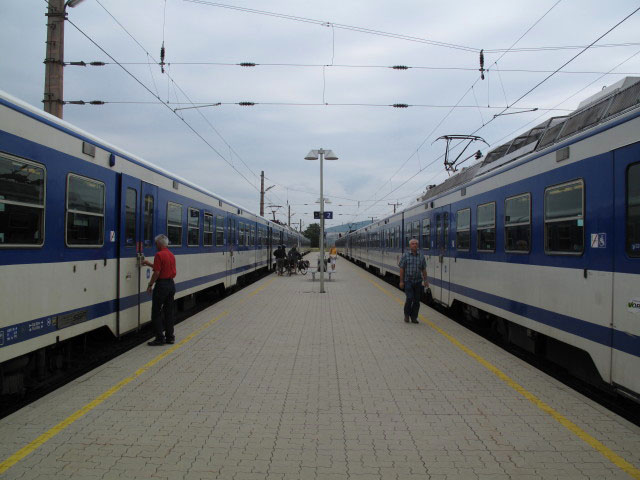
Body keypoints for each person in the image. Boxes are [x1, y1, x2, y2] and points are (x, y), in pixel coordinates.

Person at [142, 234, 177, 345]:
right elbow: (161, 267)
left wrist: (150, 284)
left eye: (156, 243)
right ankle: (170, 337)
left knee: (156, 312)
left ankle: (159, 338)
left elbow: (157, 272)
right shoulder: (171, 255)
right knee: (168, 312)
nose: (155, 245)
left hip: (161, 286)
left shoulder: (159, 254)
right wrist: (148, 264)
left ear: (159, 244)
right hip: (171, 284)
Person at [398, 238, 428, 324]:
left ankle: (414, 317)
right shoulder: (405, 256)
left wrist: (425, 280)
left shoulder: (421, 256)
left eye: (416, 244)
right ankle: (407, 315)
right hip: (408, 281)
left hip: (418, 281)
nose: (414, 245)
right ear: (410, 246)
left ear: (417, 246)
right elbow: (401, 268)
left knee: (417, 301)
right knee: (410, 298)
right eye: (412, 244)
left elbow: (423, 269)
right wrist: (401, 281)